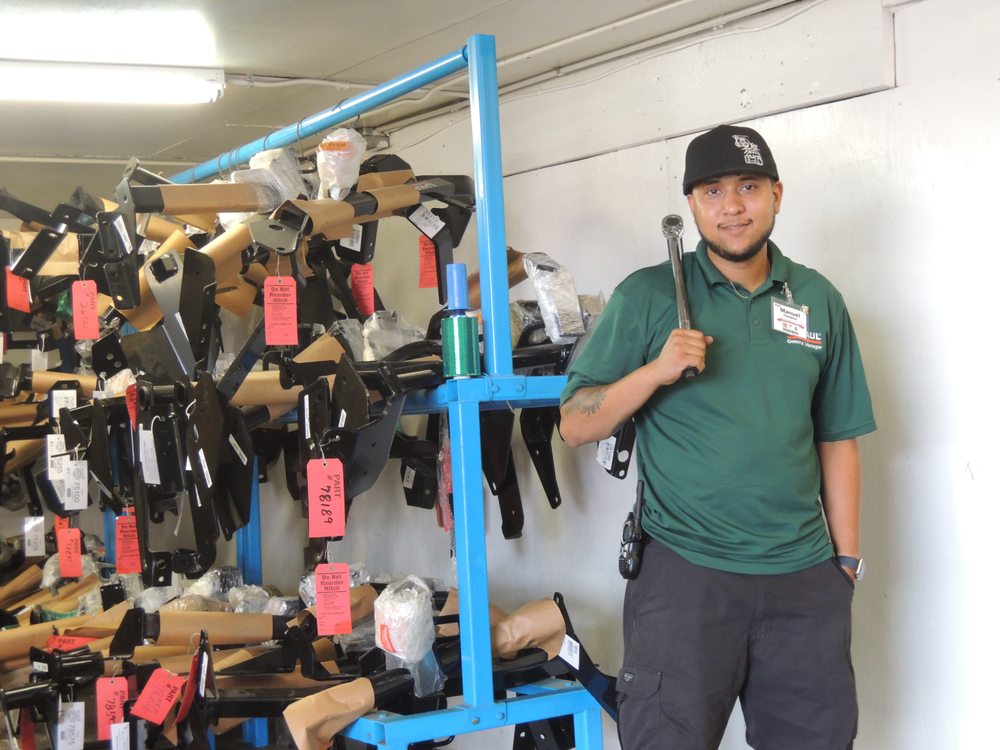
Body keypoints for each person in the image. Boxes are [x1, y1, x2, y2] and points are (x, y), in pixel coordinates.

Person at [559, 124, 876, 750]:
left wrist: (844, 564)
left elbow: (837, 437)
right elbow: (575, 423)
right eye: (712, 191)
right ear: (692, 203)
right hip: (686, 574)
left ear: (777, 195)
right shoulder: (648, 296)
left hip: (804, 579)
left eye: (749, 187)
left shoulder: (817, 300)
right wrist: (655, 371)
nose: (732, 206)